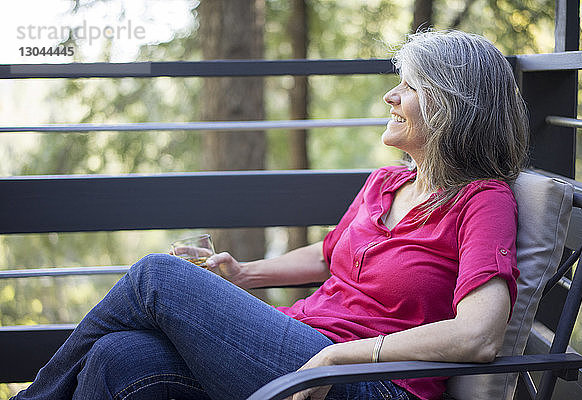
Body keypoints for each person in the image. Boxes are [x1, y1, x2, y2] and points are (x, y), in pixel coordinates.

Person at [12, 29, 528, 400]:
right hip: (300, 349)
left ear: (451, 106)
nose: (390, 96)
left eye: (409, 87)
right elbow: (330, 256)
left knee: (156, 276)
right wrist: (245, 274)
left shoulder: (482, 200)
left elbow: (478, 336)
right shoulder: (387, 183)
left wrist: (339, 358)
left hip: (369, 383)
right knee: (117, 357)